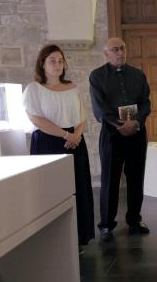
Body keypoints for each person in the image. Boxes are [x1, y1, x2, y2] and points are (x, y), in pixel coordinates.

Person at [22, 44, 95, 252]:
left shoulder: (72, 87)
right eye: (52, 60)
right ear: (42, 64)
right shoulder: (34, 89)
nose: (57, 65)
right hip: (48, 143)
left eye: (60, 60)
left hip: (74, 142)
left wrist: (77, 135)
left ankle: (79, 236)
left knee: (77, 188)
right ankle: (53, 239)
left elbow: (81, 116)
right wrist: (65, 135)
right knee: (50, 190)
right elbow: (36, 118)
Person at [89, 38, 151, 242]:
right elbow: (100, 108)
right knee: (110, 180)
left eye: (122, 48)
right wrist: (120, 125)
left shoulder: (138, 74)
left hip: (136, 133)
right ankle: (106, 223)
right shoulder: (97, 76)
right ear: (106, 54)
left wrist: (136, 122)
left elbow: (146, 103)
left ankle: (134, 219)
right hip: (111, 135)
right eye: (114, 50)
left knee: (136, 178)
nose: (120, 52)